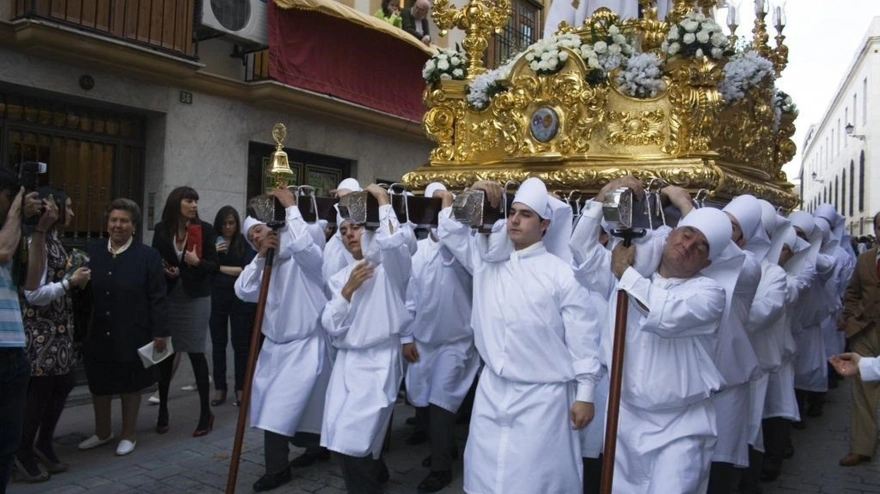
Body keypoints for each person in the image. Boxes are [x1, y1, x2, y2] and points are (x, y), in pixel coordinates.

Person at [439, 177, 602, 494]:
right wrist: (473, 192)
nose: (514, 220)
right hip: (492, 391)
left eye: (525, 215)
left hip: (544, 398)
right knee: (485, 478)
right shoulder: (487, 263)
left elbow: (584, 338)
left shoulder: (562, 274)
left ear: (544, 224)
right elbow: (450, 229)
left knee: (535, 481)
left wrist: (585, 394)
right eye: (512, 212)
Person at [572, 177, 732, 493]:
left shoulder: (710, 293)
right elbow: (580, 248)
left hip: (681, 426)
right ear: (672, 233)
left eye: (700, 246)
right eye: (686, 234)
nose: (688, 246)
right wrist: (603, 196)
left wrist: (625, 274)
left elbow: (665, 313)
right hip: (626, 418)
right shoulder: (632, 269)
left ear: (707, 261)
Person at [236, 188, 331, 492]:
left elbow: (306, 248)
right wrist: (260, 256)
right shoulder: (265, 261)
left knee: (279, 410)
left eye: (259, 230)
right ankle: (315, 448)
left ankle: (277, 470)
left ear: (274, 226)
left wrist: (291, 208)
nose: (256, 238)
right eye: (251, 236)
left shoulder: (304, 253)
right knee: (276, 408)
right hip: (274, 348)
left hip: (304, 345)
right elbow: (243, 291)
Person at [321, 184, 414, 494]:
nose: (349, 234)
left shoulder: (390, 268)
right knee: (342, 440)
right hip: (347, 365)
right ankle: (375, 477)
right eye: (344, 230)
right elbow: (331, 325)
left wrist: (384, 203)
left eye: (356, 227)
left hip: (379, 362)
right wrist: (347, 292)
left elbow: (394, 244)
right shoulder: (340, 278)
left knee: (354, 439)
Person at [401, 182, 479, 493]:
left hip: (456, 342)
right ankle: (443, 449)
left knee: (440, 403)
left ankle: (441, 468)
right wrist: (407, 337)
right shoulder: (417, 251)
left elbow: (460, 253)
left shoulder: (464, 246)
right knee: (423, 398)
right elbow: (409, 298)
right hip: (424, 342)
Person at [78, 199, 167, 457]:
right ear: (107, 224)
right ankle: (102, 432)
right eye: (114, 220)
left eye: (124, 221)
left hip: (132, 330)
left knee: (130, 384)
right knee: (99, 382)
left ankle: (129, 434)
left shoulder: (147, 256)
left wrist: (160, 331)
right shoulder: (92, 251)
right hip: (97, 330)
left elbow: (158, 297)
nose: (118, 225)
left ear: (134, 226)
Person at [15, 189, 89, 481]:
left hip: (58, 330)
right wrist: (70, 283)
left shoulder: (54, 241)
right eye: (66, 207)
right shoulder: (38, 241)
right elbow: (34, 293)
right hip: (41, 331)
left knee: (64, 383)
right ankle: (23, 450)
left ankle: (43, 443)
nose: (71, 213)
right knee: (40, 392)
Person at [0, 166, 57, 493]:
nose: (15, 205)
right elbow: (3, 252)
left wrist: (40, 231)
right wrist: (19, 214)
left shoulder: (14, 232)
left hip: (13, 353)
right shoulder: (8, 234)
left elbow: (32, 282)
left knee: (6, 449)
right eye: (10, 198)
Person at [706, 195, 764, 494]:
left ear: (743, 238)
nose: (721, 232)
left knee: (719, 462)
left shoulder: (750, 265)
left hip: (728, 380)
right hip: (693, 379)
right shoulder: (699, 259)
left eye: (731, 227)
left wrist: (695, 215)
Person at [151, 186, 218, 437]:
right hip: (170, 296)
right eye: (189, 200)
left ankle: (205, 413)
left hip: (196, 298)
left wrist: (197, 263)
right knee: (167, 354)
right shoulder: (162, 229)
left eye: (196, 201)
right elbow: (154, 259)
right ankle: (163, 410)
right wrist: (165, 270)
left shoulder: (206, 230)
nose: (194, 205)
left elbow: (213, 265)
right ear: (176, 202)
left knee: (196, 353)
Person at [760, 215, 813, 482]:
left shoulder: (790, 279)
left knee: (777, 408)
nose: (781, 253)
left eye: (786, 250)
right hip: (757, 354)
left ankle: (775, 457)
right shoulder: (762, 268)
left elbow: (787, 294)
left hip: (779, 352)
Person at [836, 212, 880, 467]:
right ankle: (862, 447)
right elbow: (852, 291)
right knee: (862, 389)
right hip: (865, 330)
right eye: (879, 227)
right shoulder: (864, 260)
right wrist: (851, 317)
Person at [209, 206, 256, 407]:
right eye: (224, 223)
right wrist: (213, 256)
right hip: (218, 297)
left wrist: (217, 267)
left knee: (240, 345)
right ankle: (220, 388)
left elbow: (245, 270)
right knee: (218, 344)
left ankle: (240, 388)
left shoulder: (243, 243)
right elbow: (204, 266)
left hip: (239, 298)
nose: (228, 227)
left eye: (231, 223)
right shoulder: (212, 243)